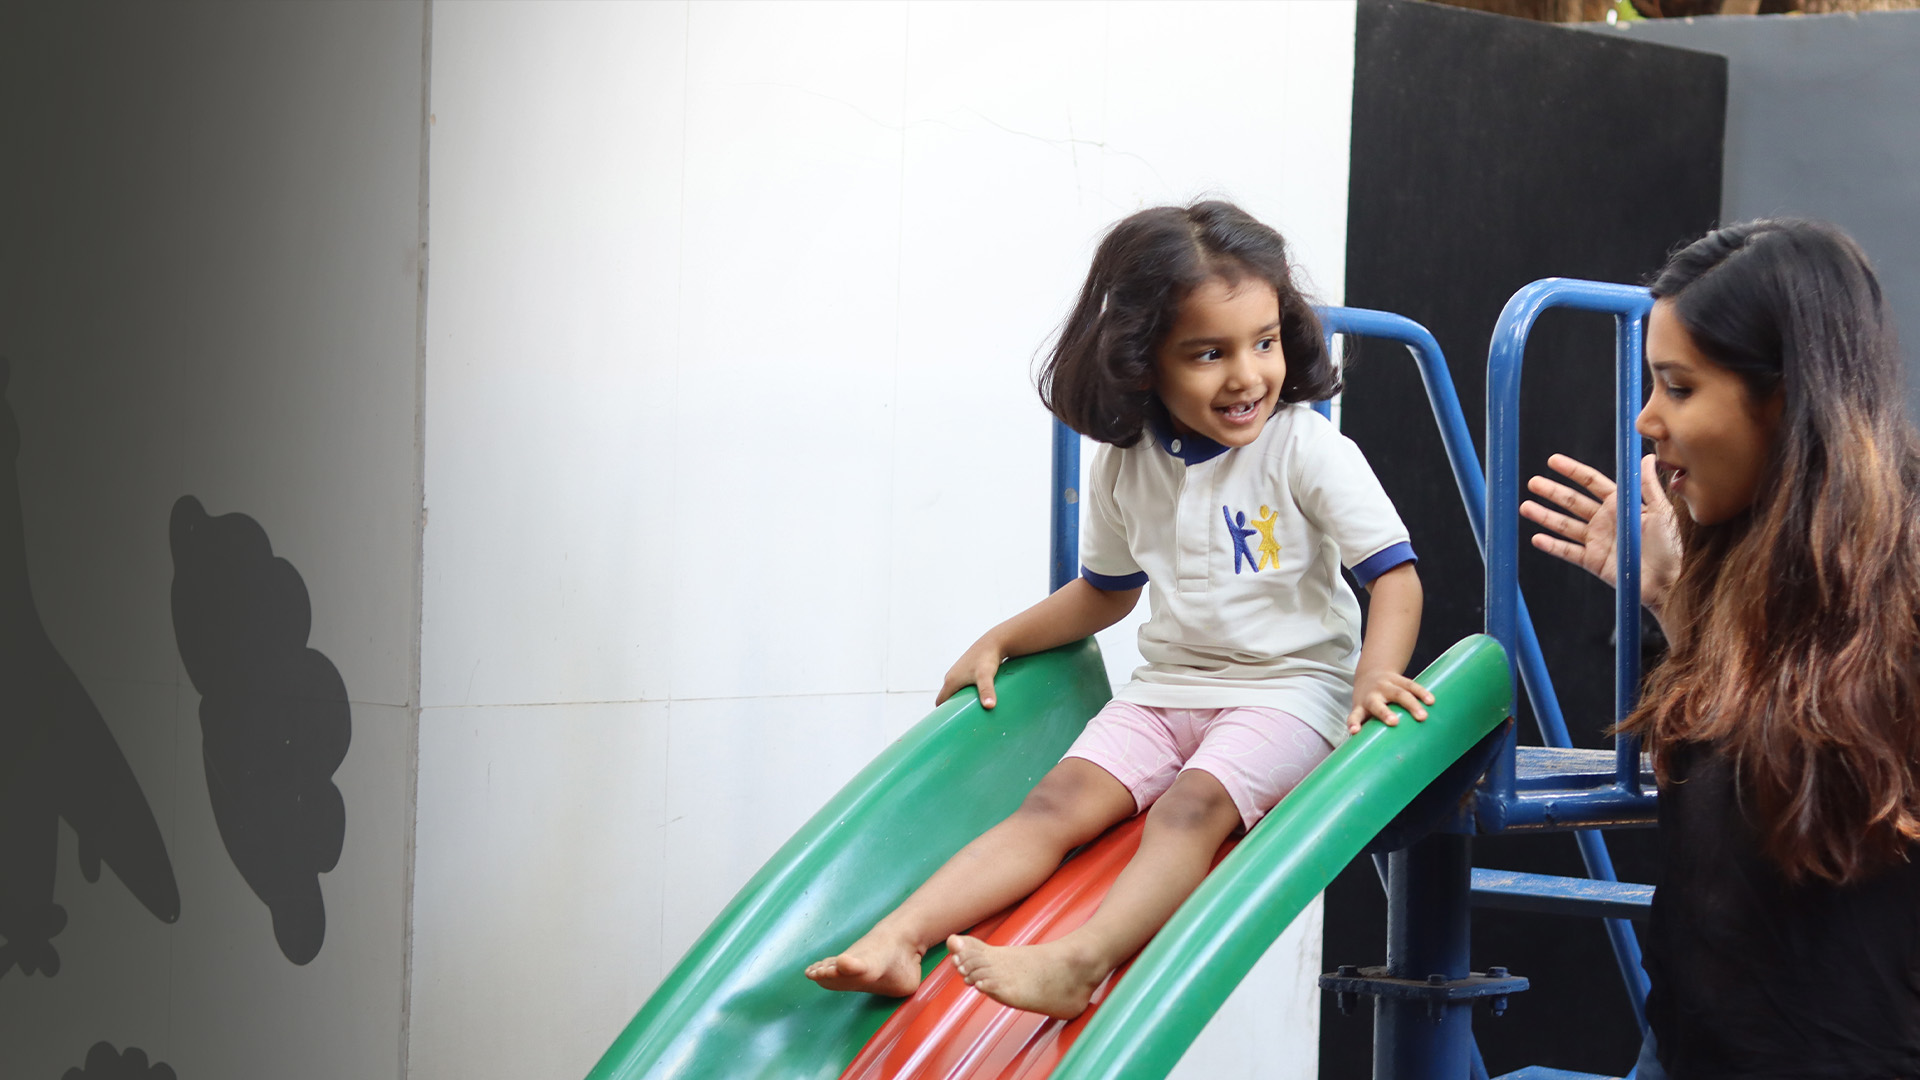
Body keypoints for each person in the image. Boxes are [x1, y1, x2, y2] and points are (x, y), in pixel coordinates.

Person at [803, 201, 1431, 1020]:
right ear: (1142, 361)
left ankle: (1081, 961)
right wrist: (1002, 638)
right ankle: (898, 938)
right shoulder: (1125, 463)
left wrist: (1375, 674)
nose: (1247, 376)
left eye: (1264, 342)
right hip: (1167, 689)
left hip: (1290, 692)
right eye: (1209, 353)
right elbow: (1106, 591)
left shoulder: (1305, 449)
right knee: (1053, 804)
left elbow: (1395, 576)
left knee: (1189, 809)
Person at [1521, 219, 1920, 1078]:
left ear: (1785, 398)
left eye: (1678, 386)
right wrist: (1673, 595)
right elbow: (1754, 752)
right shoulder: (1741, 562)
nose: (1646, 418)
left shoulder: (1903, 587)